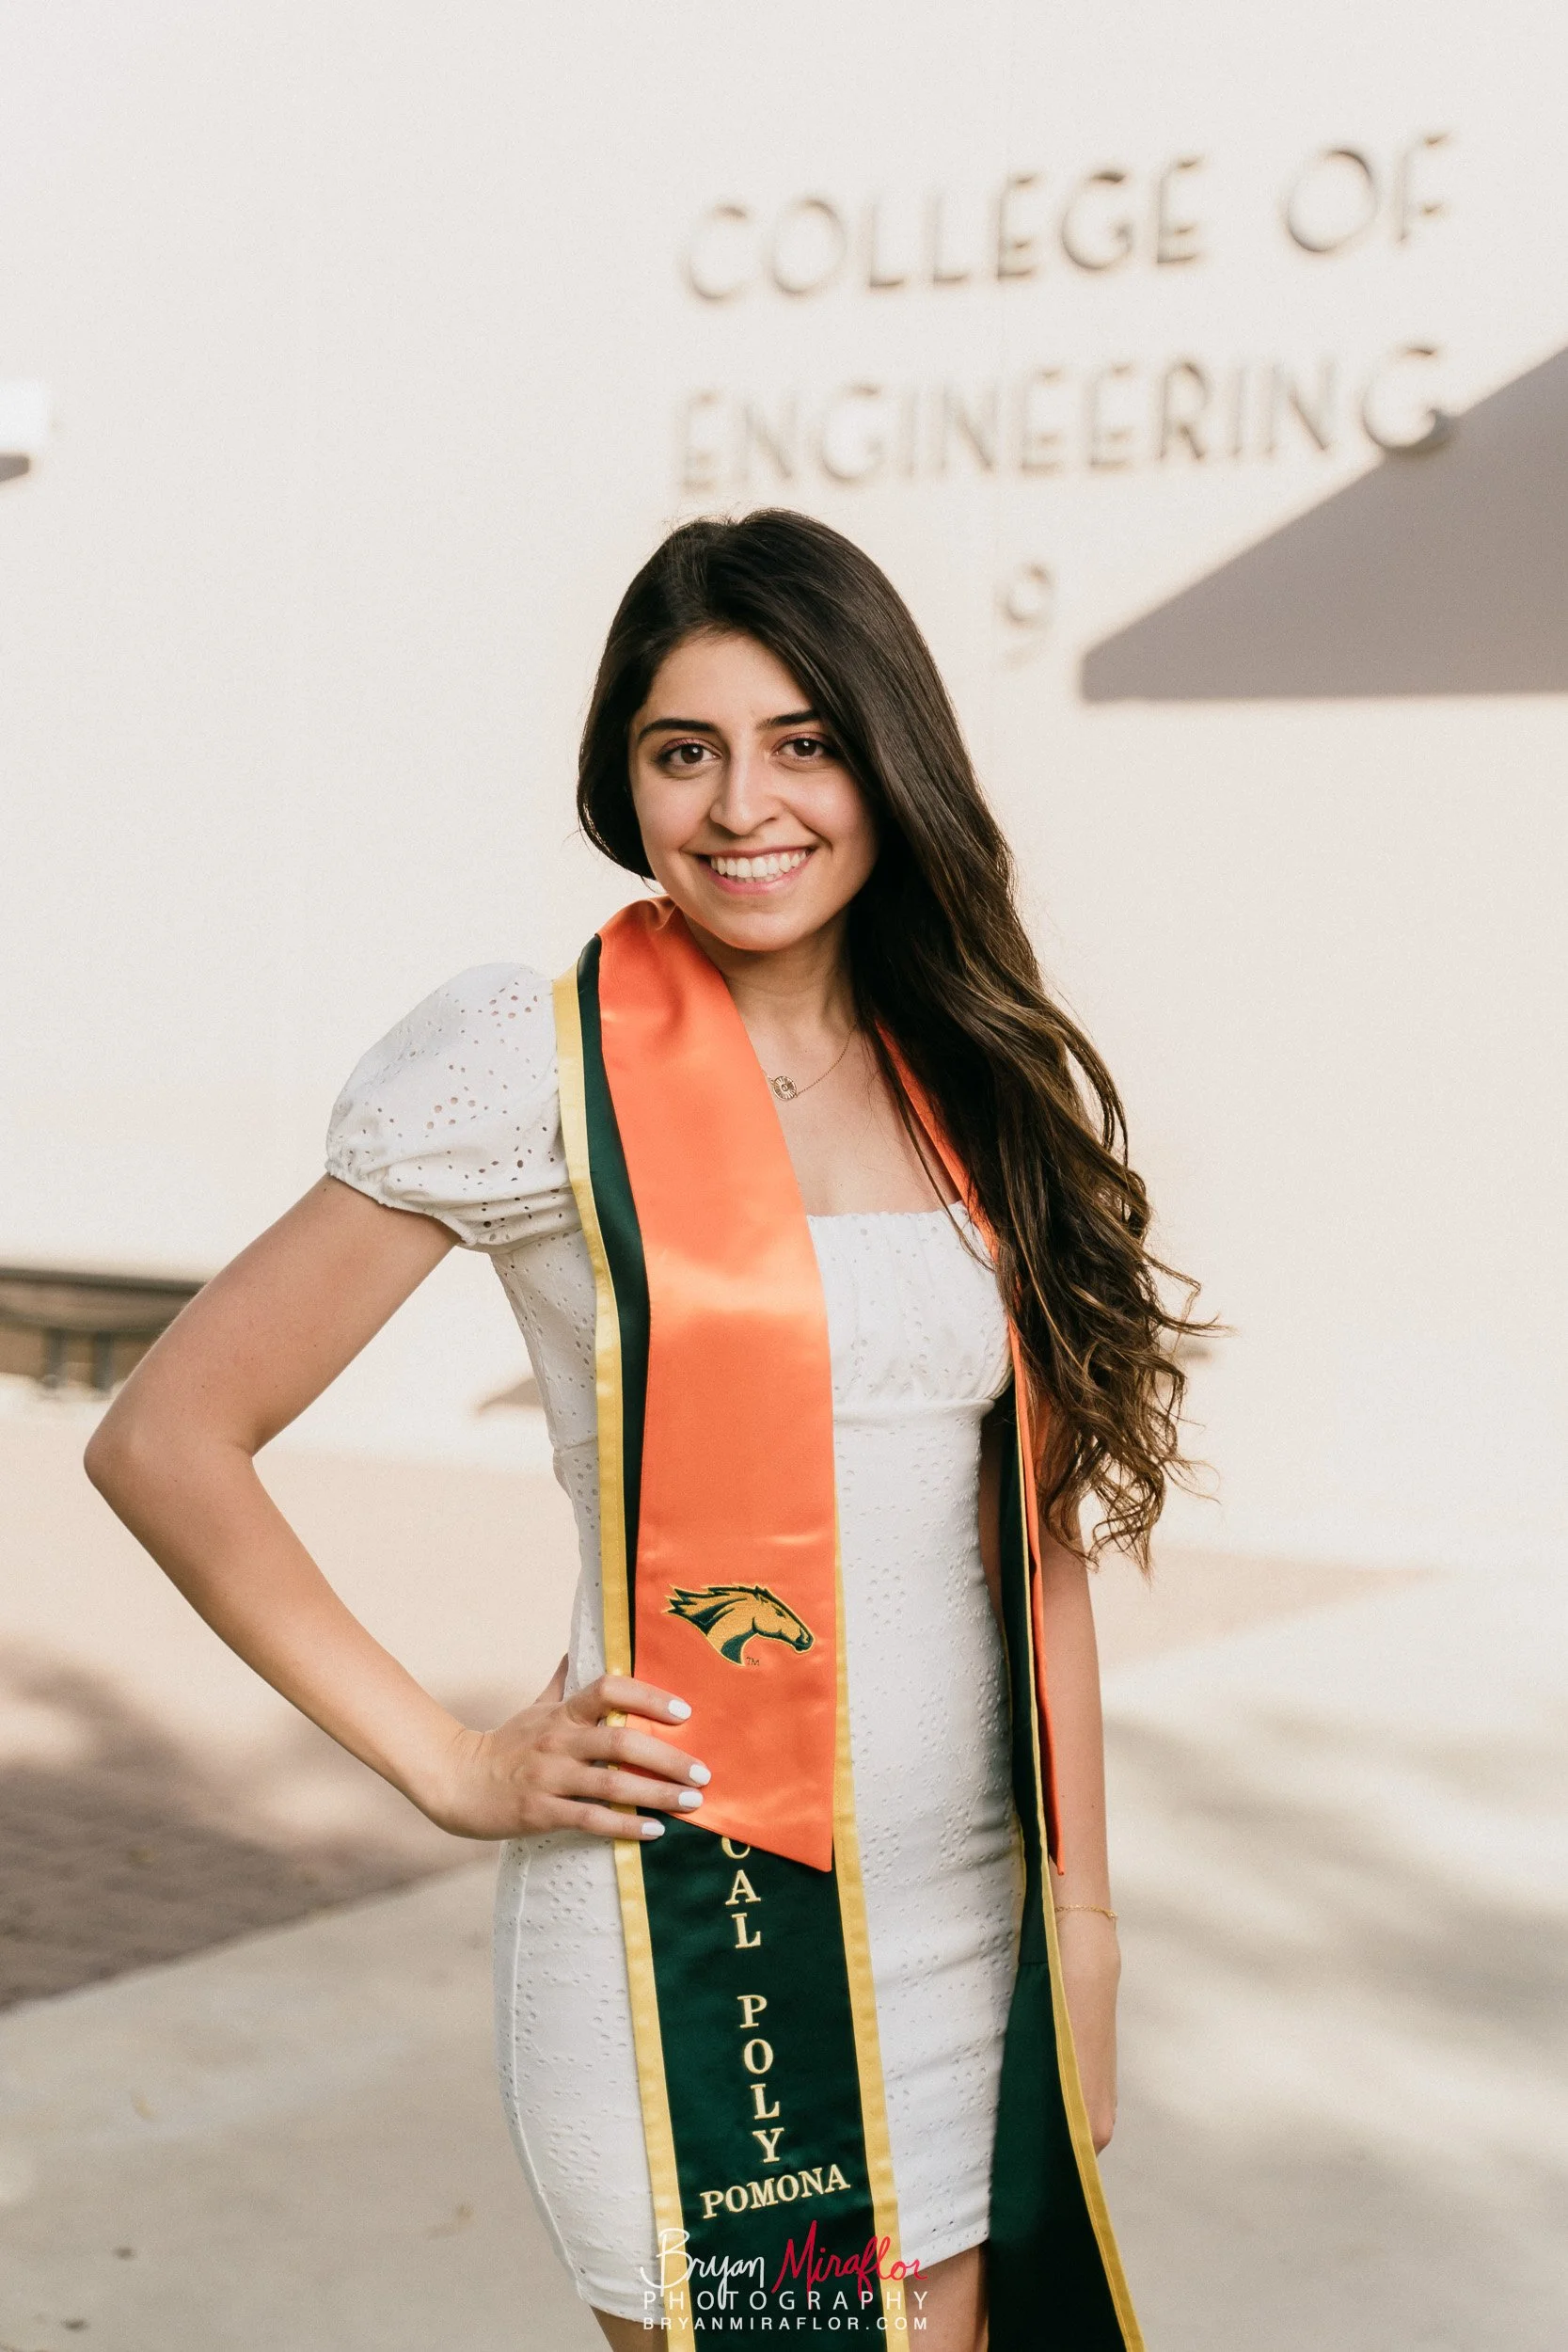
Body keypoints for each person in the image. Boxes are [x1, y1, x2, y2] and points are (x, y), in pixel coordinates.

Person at [87, 509, 1199, 2351]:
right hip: (700, 1970)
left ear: (887, 757)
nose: (743, 804)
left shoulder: (964, 1071)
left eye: (801, 741)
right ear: (624, 781)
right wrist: (446, 1762)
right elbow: (168, 1436)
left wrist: (1084, 1929)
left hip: (972, 1943)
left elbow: (1039, 1537)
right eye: (685, 750)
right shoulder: (531, 1072)